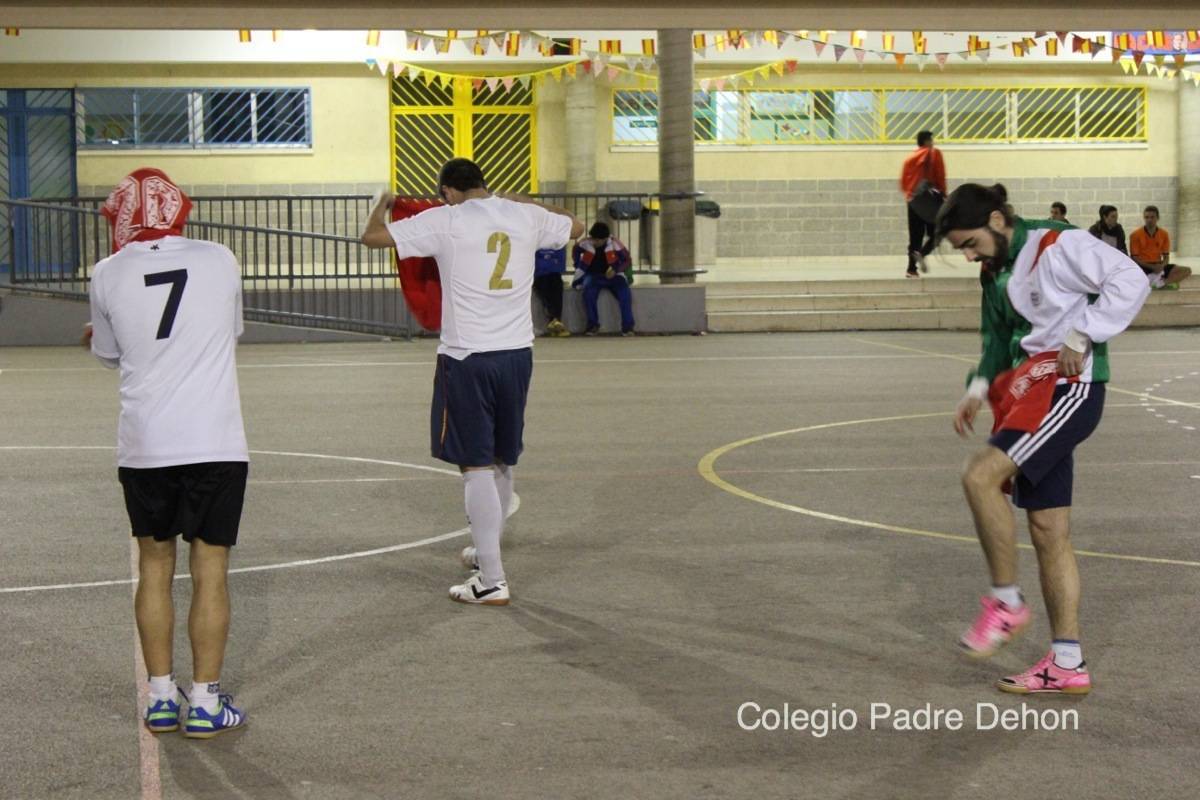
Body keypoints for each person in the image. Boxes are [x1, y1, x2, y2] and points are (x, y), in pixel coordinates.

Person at [937, 183, 1148, 695]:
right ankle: (1067, 663)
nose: (969, 256)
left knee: (979, 475)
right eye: (961, 249)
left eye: (970, 244)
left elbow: (1130, 278)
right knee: (1048, 528)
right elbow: (995, 336)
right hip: (1030, 392)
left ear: (996, 220)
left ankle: (1006, 603)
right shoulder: (995, 269)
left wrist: (1083, 332)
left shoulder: (1056, 244)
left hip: (1069, 389)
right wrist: (978, 389)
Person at [360, 159, 583, 605]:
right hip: (517, 354)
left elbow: (373, 238)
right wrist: (525, 200)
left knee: (474, 465)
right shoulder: (524, 215)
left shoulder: (447, 220)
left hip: (467, 356)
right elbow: (575, 226)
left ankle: (492, 580)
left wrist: (381, 205)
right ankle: (487, 552)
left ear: (448, 191)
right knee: (501, 457)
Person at [85, 168, 249, 738]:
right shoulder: (220, 258)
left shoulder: (106, 272)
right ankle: (204, 703)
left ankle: (159, 697)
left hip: (146, 443)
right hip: (214, 439)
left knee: (154, 567)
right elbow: (229, 331)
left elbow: (109, 354)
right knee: (211, 568)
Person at [572, 221, 635, 335]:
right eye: (593, 238)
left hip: (614, 276)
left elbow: (627, 260)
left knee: (625, 294)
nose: (594, 242)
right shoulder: (586, 243)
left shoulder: (615, 244)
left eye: (597, 240)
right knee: (588, 294)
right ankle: (592, 325)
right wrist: (578, 265)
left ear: (605, 239)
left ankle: (628, 327)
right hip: (593, 275)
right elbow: (575, 249)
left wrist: (616, 270)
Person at [899, 130, 947, 277]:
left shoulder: (910, 158)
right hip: (930, 200)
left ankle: (911, 269)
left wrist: (911, 196)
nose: (933, 142)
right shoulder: (934, 153)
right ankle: (922, 253)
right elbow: (940, 175)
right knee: (937, 232)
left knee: (915, 236)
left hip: (912, 200)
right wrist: (943, 193)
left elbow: (903, 183)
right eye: (931, 140)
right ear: (927, 141)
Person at [1129, 205, 1192, 289]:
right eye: (1147, 217)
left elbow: (1166, 256)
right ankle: (1157, 281)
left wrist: (1161, 266)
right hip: (1143, 267)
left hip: (1158, 265)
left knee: (1187, 270)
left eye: (1152, 217)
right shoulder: (1135, 235)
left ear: (1157, 218)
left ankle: (1161, 283)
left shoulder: (1164, 234)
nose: (1149, 220)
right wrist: (1152, 267)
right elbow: (1135, 258)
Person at [533, 246, 570, 336]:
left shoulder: (558, 245)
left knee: (557, 286)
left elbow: (560, 265)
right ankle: (555, 319)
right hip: (539, 275)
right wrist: (550, 263)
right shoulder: (537, 245)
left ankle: (555, 319)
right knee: (545, 286)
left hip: (553, 274)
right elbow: (536, 263)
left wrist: (547, 264)